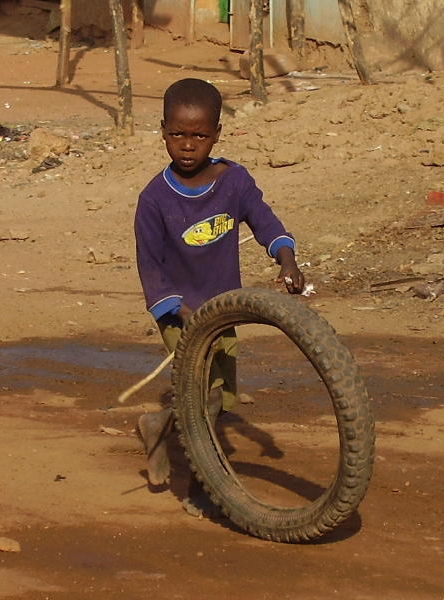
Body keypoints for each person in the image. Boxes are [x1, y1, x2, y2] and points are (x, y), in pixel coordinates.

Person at [134, 78, 305, 517]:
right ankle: (199, 485)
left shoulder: (235, 183)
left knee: (222, 399)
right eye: (177, 134)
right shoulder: (154, 199)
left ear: (216, 134)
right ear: (163, 131)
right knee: (202, 398)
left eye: (198, 135)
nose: (187, 145)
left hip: (223, 311)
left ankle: (157, 424)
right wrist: (176, 309)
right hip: (180, 315)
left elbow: (265, 221)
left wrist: (286, 259)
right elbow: (150, 266)